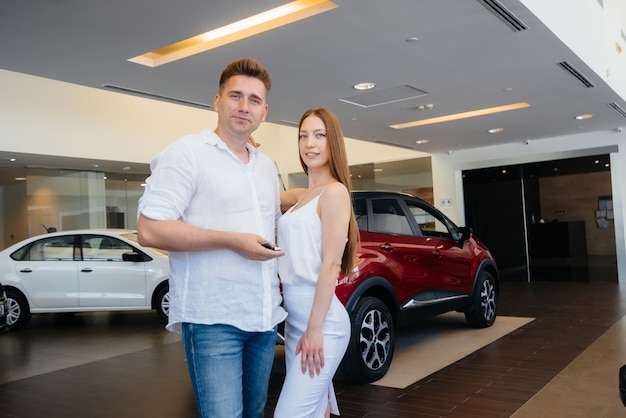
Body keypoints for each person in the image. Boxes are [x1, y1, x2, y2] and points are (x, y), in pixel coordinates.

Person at [136, 57, 287, 418]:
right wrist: (232, 240)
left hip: (264, 319)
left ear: (264, 111)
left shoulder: (265, 166)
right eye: (235, 96)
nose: (243, 106)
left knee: (253, 413)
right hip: (213, 319)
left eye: (253, 100)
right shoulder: (186, 154)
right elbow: (149, 229)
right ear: (217, 101)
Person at [274, 108, 359, 417]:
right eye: (303, 135)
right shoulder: (304, 195)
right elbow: (264, 193)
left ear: (332, 142)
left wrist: (314, 329)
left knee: (288, 414)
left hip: (322, 324)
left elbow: (331, 266)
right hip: (296, 320)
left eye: (319, 135)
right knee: (316, 411)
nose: (310, 143)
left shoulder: (335, 193)